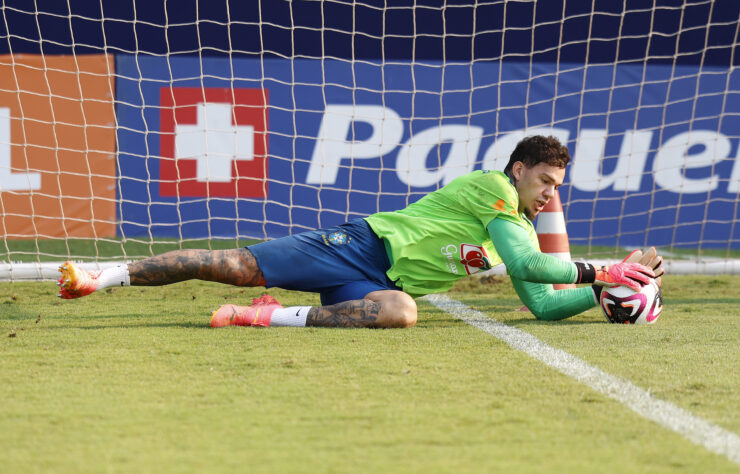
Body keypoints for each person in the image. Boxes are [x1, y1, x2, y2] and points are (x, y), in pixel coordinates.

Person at [57, 135, 664, 328]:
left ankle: (257, 317)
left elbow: (539, 302)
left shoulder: (522, 225)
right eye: (545, 181)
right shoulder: (495, 190)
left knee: (401, 314)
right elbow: (532, 271)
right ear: (520, 170)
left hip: (380, 283)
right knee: (229, 262)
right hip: (361, 245)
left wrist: (607, 293)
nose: (550, 193)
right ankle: (99, 276)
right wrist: (607, 269)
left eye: (558, 185)